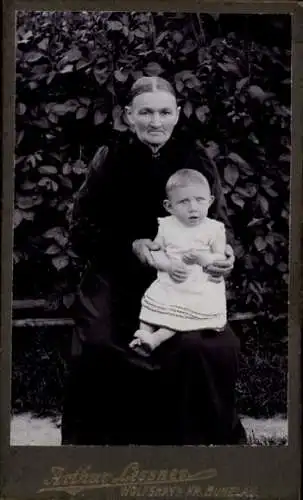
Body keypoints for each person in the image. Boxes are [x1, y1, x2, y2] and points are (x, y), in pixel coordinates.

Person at [61, 76, 247, 445]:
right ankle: (99, 453)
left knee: (207, 346)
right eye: (145, 112)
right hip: (115, 274)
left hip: (183, 276)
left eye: (164, 112)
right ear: (128, 116)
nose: (155, 122)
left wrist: (224, 253)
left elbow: (221, 222)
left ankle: (192, 446)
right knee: (97, 341)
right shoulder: (109, 158)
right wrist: (131, 246)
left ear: (177, 114)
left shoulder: (195, 158)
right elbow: (81, 229)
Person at [129, 168, 228, 357]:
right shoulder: (166, 226)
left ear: (210, 201)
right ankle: (144, 335)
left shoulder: (214, 229)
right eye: (184, 201)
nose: (193, 207)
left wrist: (203, 258)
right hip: (171, 279)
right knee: (152, 305)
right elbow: (155, 252)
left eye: (200, 200)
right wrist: (167, 266)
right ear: (169, 206)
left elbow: (220, 257)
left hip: (198, 284)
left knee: (180, 313)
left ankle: (156, 339)